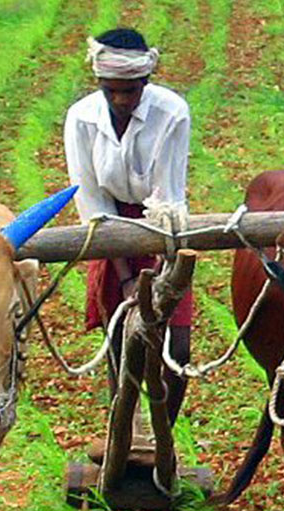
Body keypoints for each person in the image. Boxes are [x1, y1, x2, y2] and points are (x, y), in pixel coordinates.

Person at [63, 27, 193, 426]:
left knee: (177, 346)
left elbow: (167, 197)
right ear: (100, 83)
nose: (120, 100)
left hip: (162, 228)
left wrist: (161, 279)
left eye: (130, 90)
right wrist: (124, 279)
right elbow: (92, 202)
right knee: (121, 338)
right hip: (109, 231)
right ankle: (123, 429)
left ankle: (162, 437)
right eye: (111, 90)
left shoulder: (172, 112)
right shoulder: (82, 118)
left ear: (146, 81)